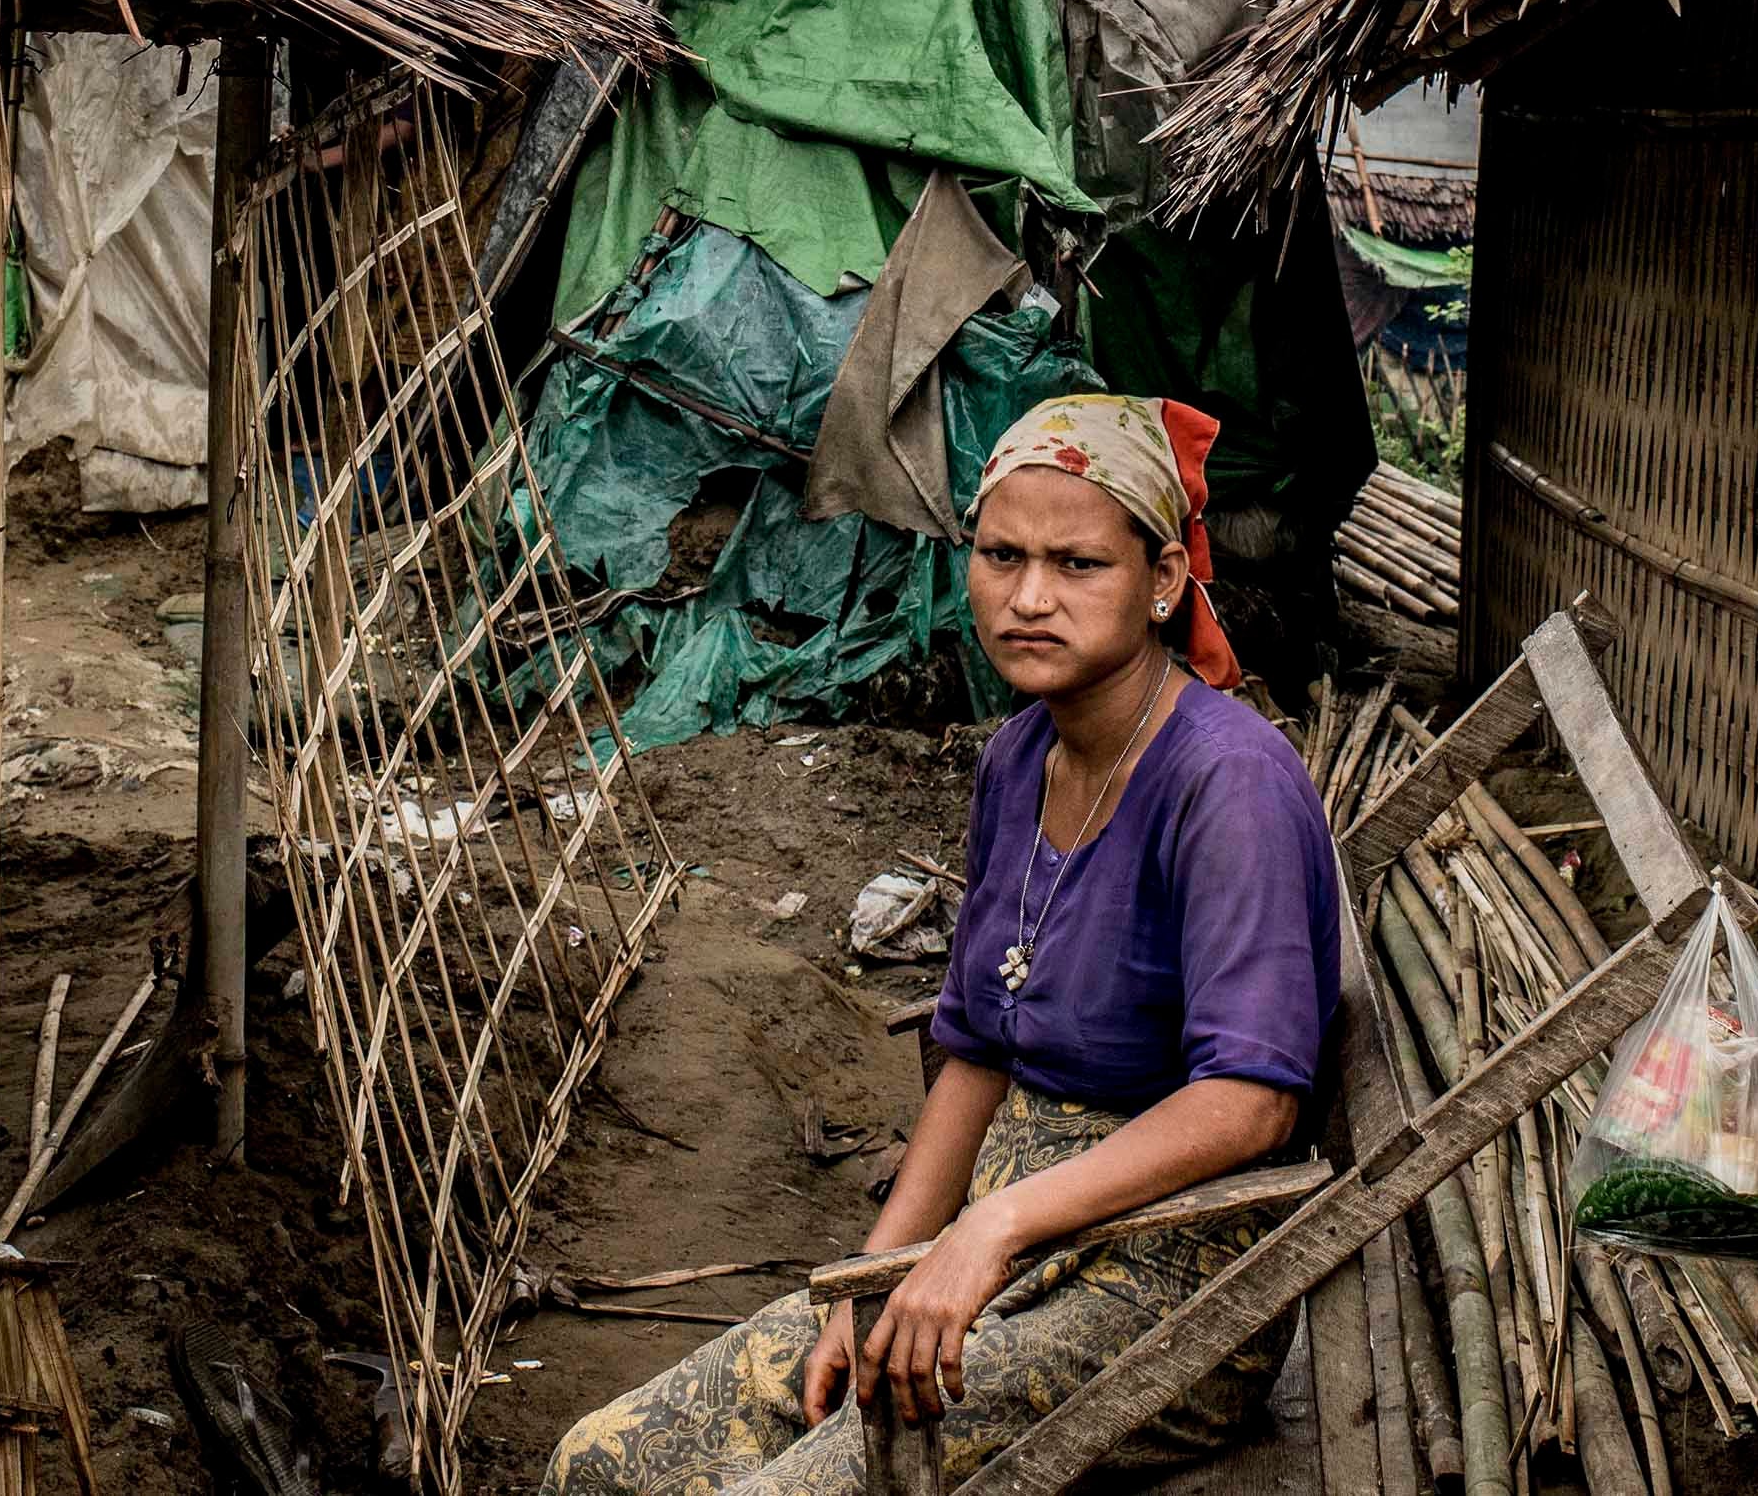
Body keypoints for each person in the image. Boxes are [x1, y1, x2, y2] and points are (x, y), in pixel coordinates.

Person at [549, 395, 1343, 1496]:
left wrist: (993, 1232)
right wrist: (874, 1280)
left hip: (1164, 1279)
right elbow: (974, 1051)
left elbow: (1252, 1101)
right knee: (599, 1459)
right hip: (1005, 1241)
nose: (1028, 597)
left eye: (1077, 566)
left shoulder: (1228, 785)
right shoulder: (1021, 759)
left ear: (1163, 581)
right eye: (1001, 555)